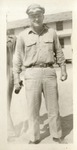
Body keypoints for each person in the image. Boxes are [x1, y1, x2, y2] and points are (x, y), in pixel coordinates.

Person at [13, 4, 67, 144]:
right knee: (32, 108)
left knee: (53, 107)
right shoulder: (22, 36)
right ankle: (34, 137)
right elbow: (17, 58)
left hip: (49, 72)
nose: (36, 18)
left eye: (38, 15)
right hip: (31, 73)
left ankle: (57, 135)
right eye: (33, 16)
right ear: (29, 18)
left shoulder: (52, 33)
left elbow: (59, 51)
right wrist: (16, 78)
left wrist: (63, 69)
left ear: (43, 16)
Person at [7, 33, 17, 140]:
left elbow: (17, 56)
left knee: (4, 105)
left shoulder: (12, 39)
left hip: (7, 73)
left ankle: (10, 132)